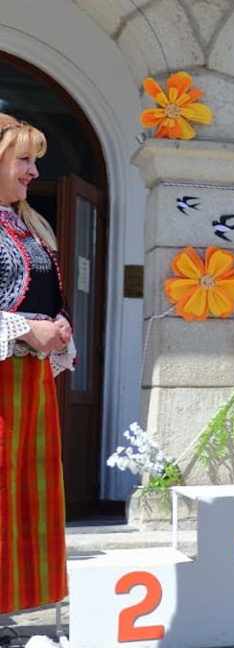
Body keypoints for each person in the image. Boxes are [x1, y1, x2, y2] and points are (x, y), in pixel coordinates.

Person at [0, 115, 75, 616]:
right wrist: (26, 329)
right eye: (24, 160)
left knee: (26, 492)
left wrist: (61, 324)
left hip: (29, 378)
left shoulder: (31, 225)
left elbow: (47, 295)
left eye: (35, 161)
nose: (34, 172)